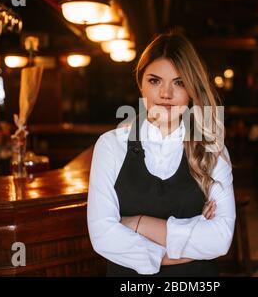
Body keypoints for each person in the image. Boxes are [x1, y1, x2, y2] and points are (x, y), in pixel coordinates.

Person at [87, 31, 236, 276]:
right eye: (154, 81)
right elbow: (102, 235)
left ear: (192, 89)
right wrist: (192, 232)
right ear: (140, 83)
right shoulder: (110, 146)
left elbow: (220, 239)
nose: (165, 93)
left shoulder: (212, 149)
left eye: (179, 82)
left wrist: (136, 224)